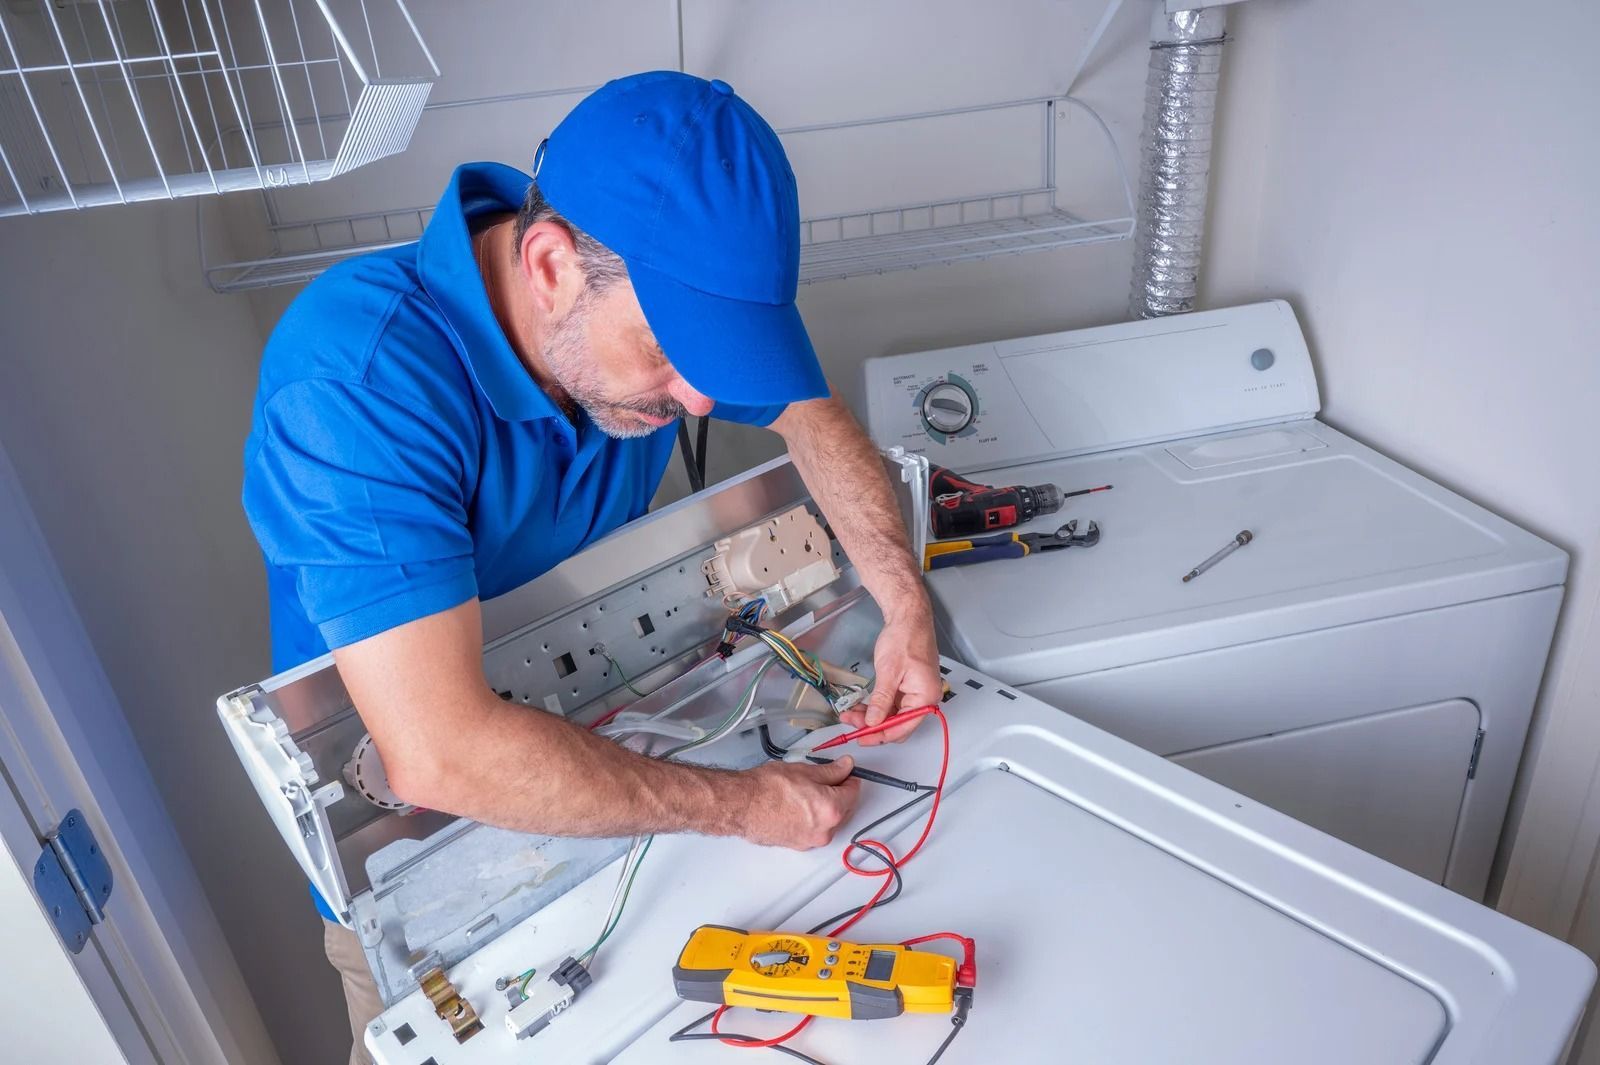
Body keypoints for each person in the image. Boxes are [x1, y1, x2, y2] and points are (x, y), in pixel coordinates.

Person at [241, 71, 940, 1064]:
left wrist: (898, 594)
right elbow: (438, 755)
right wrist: (743, 806)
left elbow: (803, 412)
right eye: (668, 351)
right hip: (433, 871)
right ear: (552, 263)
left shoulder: (629, 331)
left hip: (617, 781)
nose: (699, 400)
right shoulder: (357, 380)